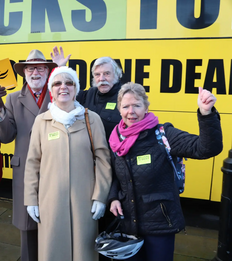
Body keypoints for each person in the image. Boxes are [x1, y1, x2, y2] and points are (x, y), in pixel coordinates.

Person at [107, 83, 223, 261]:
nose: (131, 111)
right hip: (129, 224)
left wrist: (207, 114)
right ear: (119, 110)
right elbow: (116, 174)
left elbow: (206, 149)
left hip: (160, 224)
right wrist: (114, 197)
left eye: (137, 105)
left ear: (146, 107)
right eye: (126, 106)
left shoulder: (163, 134)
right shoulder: (116, 139)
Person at [24, 66, 112, 261]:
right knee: (52, 251)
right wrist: (31, 199)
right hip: (50, 202)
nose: (63, 87)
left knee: (84, 252)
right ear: (51, 89)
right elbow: (32, 163)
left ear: (76, 88)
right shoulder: (41, 121)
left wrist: (100, 196)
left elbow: (103, 159)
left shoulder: (91, 119)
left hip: (85, 202)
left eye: (69, 83)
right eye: (57, 83)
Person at [0, 47, 70, 261]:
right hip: (25, 170)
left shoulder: (58, 94)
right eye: (30, 69)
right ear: (24, 73)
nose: (35, 73)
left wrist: (62, 69)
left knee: (55, 224)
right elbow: (6, 136)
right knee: (28, 228)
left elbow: (71, 102)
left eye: (40, 68)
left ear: (48, 71)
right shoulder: (14, 98)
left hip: (55, 169)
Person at [77, 56, 123, 141]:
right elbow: (65, 92)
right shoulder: (90, 94)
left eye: (107, 73)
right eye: (97, 74)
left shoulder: (125, 97)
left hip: (113, 153)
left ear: (116, 74)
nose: (102, 79)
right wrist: (60, 67)